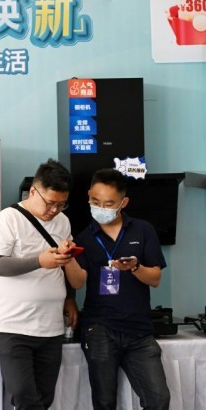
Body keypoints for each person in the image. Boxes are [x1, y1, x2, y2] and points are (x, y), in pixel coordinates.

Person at [0, 158, 87, 409]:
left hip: (51, 327)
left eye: (61, 204)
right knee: (24, 395)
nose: (54, 210)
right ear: (33, 191)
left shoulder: (63, 222)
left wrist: (69, 296)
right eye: (50, 203)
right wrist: (39, 261)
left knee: (44, 398)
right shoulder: (7, 219)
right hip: (12, 326)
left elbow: (68, 270)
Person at [75, 168, 170, 410]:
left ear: (123, 202)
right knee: (104, 402)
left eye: (108, 204)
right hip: (99, 328)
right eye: (95, 201)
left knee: (158, 399)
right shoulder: (83, 238)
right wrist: (66, 260)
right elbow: (77, 282)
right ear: (88, 195)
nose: (101, 208)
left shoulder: (143, 230)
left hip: (139, 330)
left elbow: (155, 278)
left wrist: (135, 267)